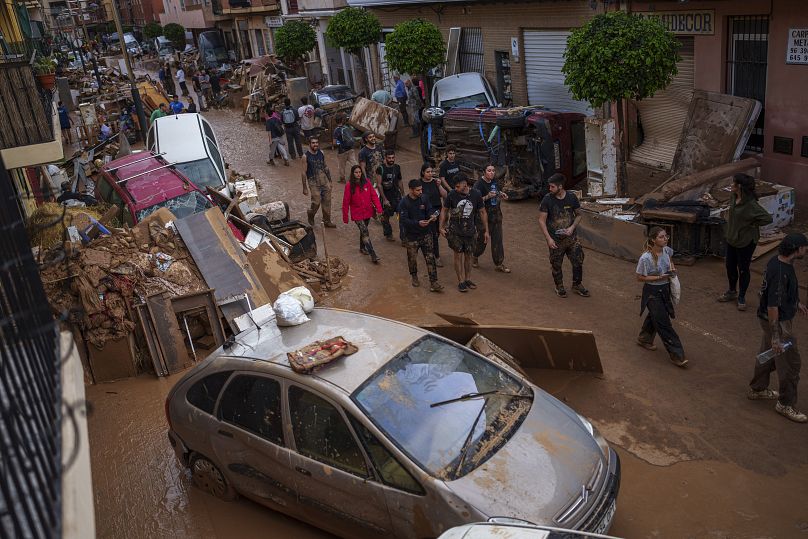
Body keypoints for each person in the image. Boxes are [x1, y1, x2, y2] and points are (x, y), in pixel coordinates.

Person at [748, 233, 808, 423]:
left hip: (770, 321)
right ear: (796, 250)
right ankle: (785, 403)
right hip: (779, 324)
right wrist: (776, 336)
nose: (806, 250)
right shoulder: (781, 271)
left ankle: (758, 389)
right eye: (804, 247)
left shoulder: (777, 262)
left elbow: (775, 293)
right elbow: (773, 305)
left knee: (767, 354)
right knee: (791, 363)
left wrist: (795, 302)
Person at [718, 173, 773, 311]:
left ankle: (741, 296)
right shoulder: (733, 197)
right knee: (730, 265)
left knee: (743, 269)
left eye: (733, 183)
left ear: (740, 186)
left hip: (746, 241)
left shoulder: (751, 205)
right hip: (732, 238)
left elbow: (767, 218)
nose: (731, 185)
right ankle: (732, 291)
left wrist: (752, 224)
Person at [636, 226, 687, 368]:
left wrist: (672, 270)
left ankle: (644, 338)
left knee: (655, 316)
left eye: (666, 236)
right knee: (664, 323)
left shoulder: (666, 251)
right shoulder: (645, 258)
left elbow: (670, 262)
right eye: (661, 237)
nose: (665, 239)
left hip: (664, 289)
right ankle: (677, 354)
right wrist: (659, 277)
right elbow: (640, 277)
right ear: (653, 240)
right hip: (652, 292)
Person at [538, 173, 589, 298]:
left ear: (560, 187)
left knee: (578, 260)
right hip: (555, 241)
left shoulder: (571, 198)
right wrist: (549, 239)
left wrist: (572, 228)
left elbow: (579, 215)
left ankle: (577, 285)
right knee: (556, 264)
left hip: (571, 239)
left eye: (552, 187)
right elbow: (541, 220)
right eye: (549, 187)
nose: (550, 189)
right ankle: (559, 286)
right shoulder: (547, 199)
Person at [440, 173, 488, 292]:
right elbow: (444, 210)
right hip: (455, 231)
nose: (455, 189)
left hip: (470, 231)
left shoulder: (476, 194)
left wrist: (487, 230)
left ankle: (468, 279)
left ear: (465, 184)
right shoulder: (452, 194)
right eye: (455, 187)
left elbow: (482, 212)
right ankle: (460, 281)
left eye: (457, 186)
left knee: (469, 256)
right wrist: (441, 226)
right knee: (458, 255)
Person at [398, 179, 443, 292]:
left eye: (421, 189)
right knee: (412, 258)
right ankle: (414, 276)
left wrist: (432, 216)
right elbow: (403, 221)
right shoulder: (404, 203)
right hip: (412, 236)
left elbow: (429, 210)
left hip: (426, 234)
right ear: (411, 190)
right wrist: (417, 223)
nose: (420, 191)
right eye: (418, 190)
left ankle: (434, 282)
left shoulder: (424, 198)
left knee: (430, 258)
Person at [473, 164, 510, 273]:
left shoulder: (494, 181)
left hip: (496, 215)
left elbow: (496, 192)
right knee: (482, 240)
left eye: (493, 170)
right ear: (484, 172)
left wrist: (501, 194)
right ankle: (475, 255)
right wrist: (487, 197)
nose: (492, 173)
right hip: (484, 217)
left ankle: (499, 263)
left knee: (498, 239)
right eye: (489, 171)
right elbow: (475, 201)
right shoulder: (478, 185)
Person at [342, 165, 382, 264]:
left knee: (363, 230)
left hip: (368, 212)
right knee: (365, 231)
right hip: (357, 214)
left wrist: (379, 209)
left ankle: (362, 248)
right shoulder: (349, 186)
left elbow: (374, 196)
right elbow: (346, 202)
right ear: (352, 173)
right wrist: (345, 216)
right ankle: (373, 254)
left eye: (359, 172)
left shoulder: (367, 182)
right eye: (356, 172)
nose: (358, 174)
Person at [301, 137, 336, 228]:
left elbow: (325, 167)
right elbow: (303, 172)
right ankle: (311, 214)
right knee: (316, 202)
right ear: (309, 144)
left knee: (327, 201)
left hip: (324, 180)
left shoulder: (321, 153)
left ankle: (327, 220)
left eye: (316, 142)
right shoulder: (305, 156)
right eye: (313, 143)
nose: (315, 144)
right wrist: (304, 187)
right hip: (313, 182)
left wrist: (330, 181)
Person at [420, 162, 447, 266]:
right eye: (428, 172)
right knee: (431, 235)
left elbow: (445, 195)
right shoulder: (419, 183)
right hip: (425, 212)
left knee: (436, 234)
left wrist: (439, 186)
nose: (430, 174)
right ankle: (436, 256)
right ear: (423, 172)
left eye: (431, 171)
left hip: (437, 211)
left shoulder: (436, 182)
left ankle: (434, 254)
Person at [376, 149, 403, 242]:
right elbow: (379, 184)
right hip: (386, 197)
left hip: (397, 196)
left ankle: (404, 238)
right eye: (389, 158)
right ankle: (388, 233)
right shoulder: (381, 169)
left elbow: (399, 181)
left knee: (402, 216)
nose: (391, 159)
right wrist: (384, 199)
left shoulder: (397, 167)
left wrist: (402, 194)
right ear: (385, 158)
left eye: (393, 157)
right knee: (385, 217)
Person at [333, 113, 357, 183]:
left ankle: (342, 179)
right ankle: (358, 174)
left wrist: (339, 143)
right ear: (342, 120)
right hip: (351, 149)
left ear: (336, 121)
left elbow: (334, 143)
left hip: (342, 151)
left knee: (341, 166)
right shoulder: (347, 127)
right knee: (354, 163)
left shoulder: (336, 130)